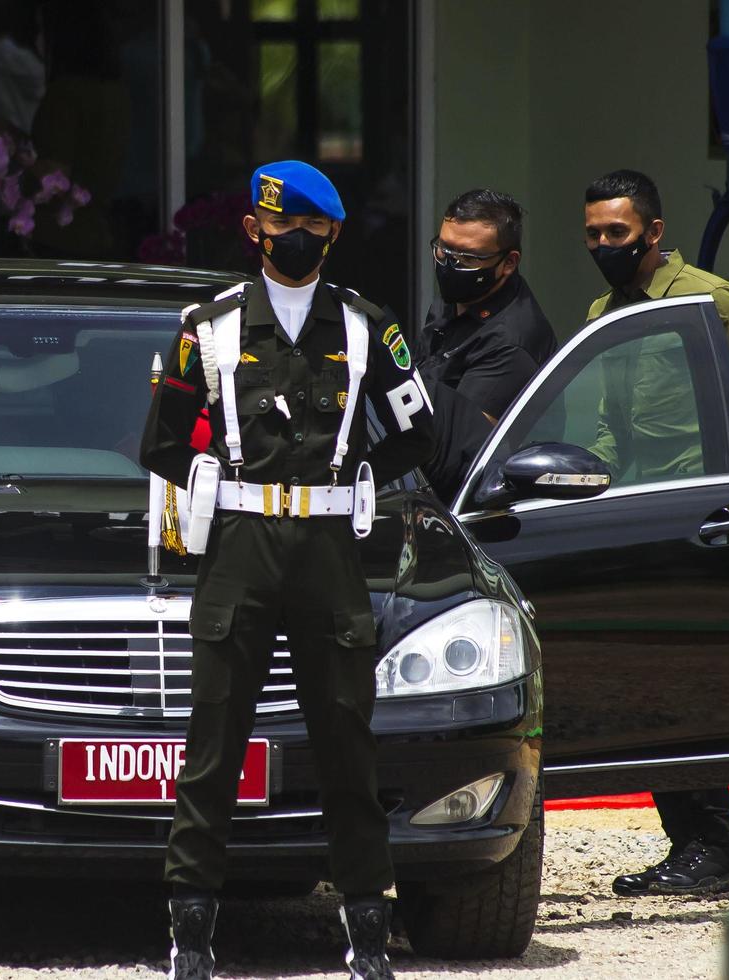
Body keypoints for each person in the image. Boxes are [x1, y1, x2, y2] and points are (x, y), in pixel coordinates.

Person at [141, 160, 439, 980]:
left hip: (328, 553)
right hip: (239, 546)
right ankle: (191, 938)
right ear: (255, 233)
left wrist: (360, 474)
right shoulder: (208, 326)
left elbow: (420, 431)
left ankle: (368, 937)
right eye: (281, 232)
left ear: (333, 235)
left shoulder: (366, 326)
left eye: (311, 231)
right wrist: (208, 487)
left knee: (347, 739)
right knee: (213, 746)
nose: (296, 242)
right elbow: (163, 442)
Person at [582, 169, 729, 898]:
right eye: (592, 234)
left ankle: (712, 844)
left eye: (616, 232)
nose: (603, 245)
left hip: (706, 522)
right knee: (647, 690)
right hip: (636, 526)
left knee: (690, 688)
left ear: (652, 231)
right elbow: (605, 428)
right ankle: (700, 845)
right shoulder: (602, 312)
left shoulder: (710, 298)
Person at [420, 189, 557, 423]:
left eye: (468, 258)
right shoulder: (457, 299)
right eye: (445, 250)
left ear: (508, 263)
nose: (450, 266)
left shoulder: (511, 342)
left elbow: (463, 443)